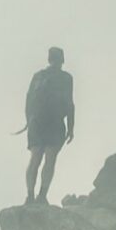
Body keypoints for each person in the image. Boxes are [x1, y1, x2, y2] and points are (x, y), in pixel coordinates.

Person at [23, 46, 75, 205]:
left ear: (49, 59)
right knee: (50, 159)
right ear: (62, 60)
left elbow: (28, 100)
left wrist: (28, 121)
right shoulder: (66, 78)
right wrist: (71, 126)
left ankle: (30, 196)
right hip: (55, 122)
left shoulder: (38, 76)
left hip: (37, 122)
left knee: (35, 158)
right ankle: (42, 195)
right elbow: (69, 103)